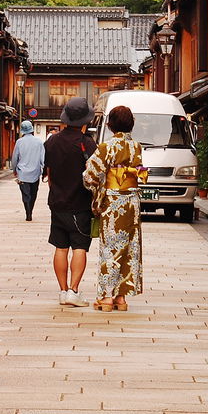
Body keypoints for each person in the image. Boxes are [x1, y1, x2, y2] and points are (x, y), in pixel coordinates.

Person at [82, 105, 147, 312]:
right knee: (129, 249)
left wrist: (94, 189)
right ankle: (121, 298)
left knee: (110, 248)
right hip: (132, 202)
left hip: (113, 202)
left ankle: (106, 298)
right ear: (132, 124)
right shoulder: (136, 146)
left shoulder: (106, 147)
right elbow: (138, 172)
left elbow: (91, 175)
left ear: (109, 125)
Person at [43, 97, 96, 308]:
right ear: (85, 121)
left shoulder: (51, 142)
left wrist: (55, 191)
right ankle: (74, 290)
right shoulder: (88, 143)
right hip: (80, 203)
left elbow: (49, 172)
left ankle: (63, 290)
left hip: (57, 202)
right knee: (80, 247)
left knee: (60, 247)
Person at [12, 120, 45, 221]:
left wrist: (14, 169)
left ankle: (28, 213)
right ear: (31, 129)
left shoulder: (19, 142)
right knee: (33, 193)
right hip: (35, 172)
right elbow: (42, 158)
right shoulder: (39, 142)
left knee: (25, 194)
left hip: (22, 173)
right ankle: (31, 210)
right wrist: (44, 171)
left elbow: (15, 157)